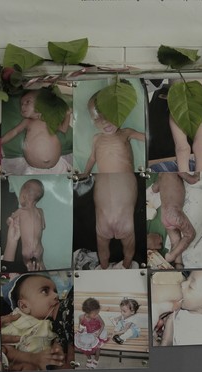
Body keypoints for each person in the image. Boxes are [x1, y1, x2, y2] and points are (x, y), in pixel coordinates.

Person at [82, 93, 145, 269]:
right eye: (97, 119)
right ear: (93, 122)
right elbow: (92, 158)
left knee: (129, 248)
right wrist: (84, 173)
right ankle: (103, 268)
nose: (104, 122)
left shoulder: (126, 133)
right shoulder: (97, 139)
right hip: (102, 215)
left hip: (125, 207)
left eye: (109, 116)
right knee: (102, 247)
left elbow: (148, 138)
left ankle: (126, 266)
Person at [0, 89, 72, 174]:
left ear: (42, 104)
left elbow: (63, 129)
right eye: (21, 104)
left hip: (58, 166)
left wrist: (68, 115)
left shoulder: (49, 120)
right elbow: (14, 132)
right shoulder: (27, 122)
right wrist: (0, 142)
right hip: (33, 170)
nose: (23, 106)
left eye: (27, 102)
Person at [152, 172, 196, 268]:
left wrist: (159, 181)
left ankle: (178, 264)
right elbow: (192, 180)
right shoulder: (175, 171)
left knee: (175, 241)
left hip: (164, 217)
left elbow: (154, 189)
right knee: (190, 234)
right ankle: (172, 256)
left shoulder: (160, 178)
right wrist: (196, 174)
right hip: (174, 214)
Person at [6, 179, 46, 271]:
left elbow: (9, 222)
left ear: (23, 195)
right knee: (41, 265)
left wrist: (11, 219)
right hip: (39, 249)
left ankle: (29, 269)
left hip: (26, 250)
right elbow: (43, 226)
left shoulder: (20, 211)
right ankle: (46, 274)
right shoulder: (40, 211)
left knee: (28, 266)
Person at [75, 296, 107, 368]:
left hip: (97, 331)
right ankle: (89, 359)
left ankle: (96, 360)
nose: (96, 314)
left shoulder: (97, 316)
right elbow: (80, 326)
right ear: (88, 312)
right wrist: (81, 330)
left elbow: (103, 324)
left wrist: (98, 334)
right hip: (88, 333)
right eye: (95, 313)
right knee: (85, 346)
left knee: (97, 346)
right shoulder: (81, 317)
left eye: (97, 312)